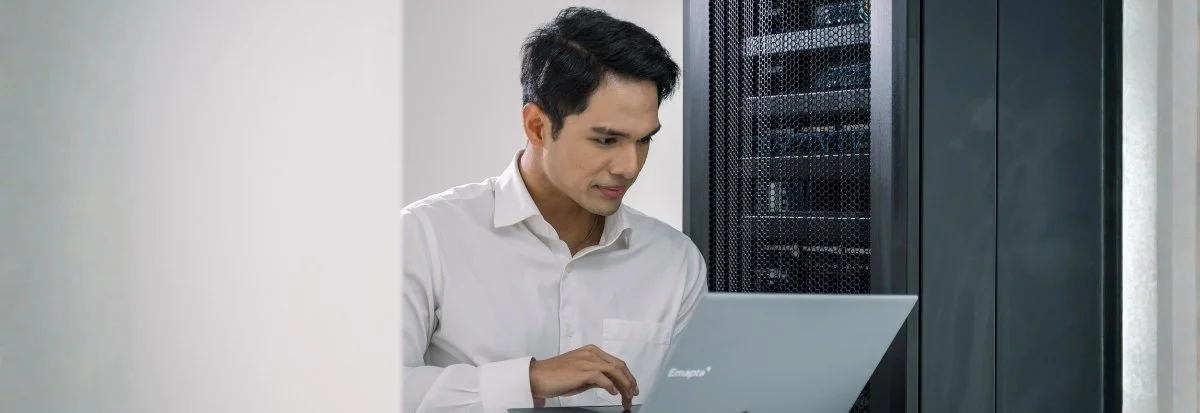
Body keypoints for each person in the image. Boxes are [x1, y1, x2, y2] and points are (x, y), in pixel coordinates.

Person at [401, 7, 707, 413]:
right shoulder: (425, 235)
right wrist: (529, 378)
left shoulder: (675, 261)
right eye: (607, 140)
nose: (630, 167)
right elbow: (367, 387)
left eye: (644, 140)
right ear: (537, 127)